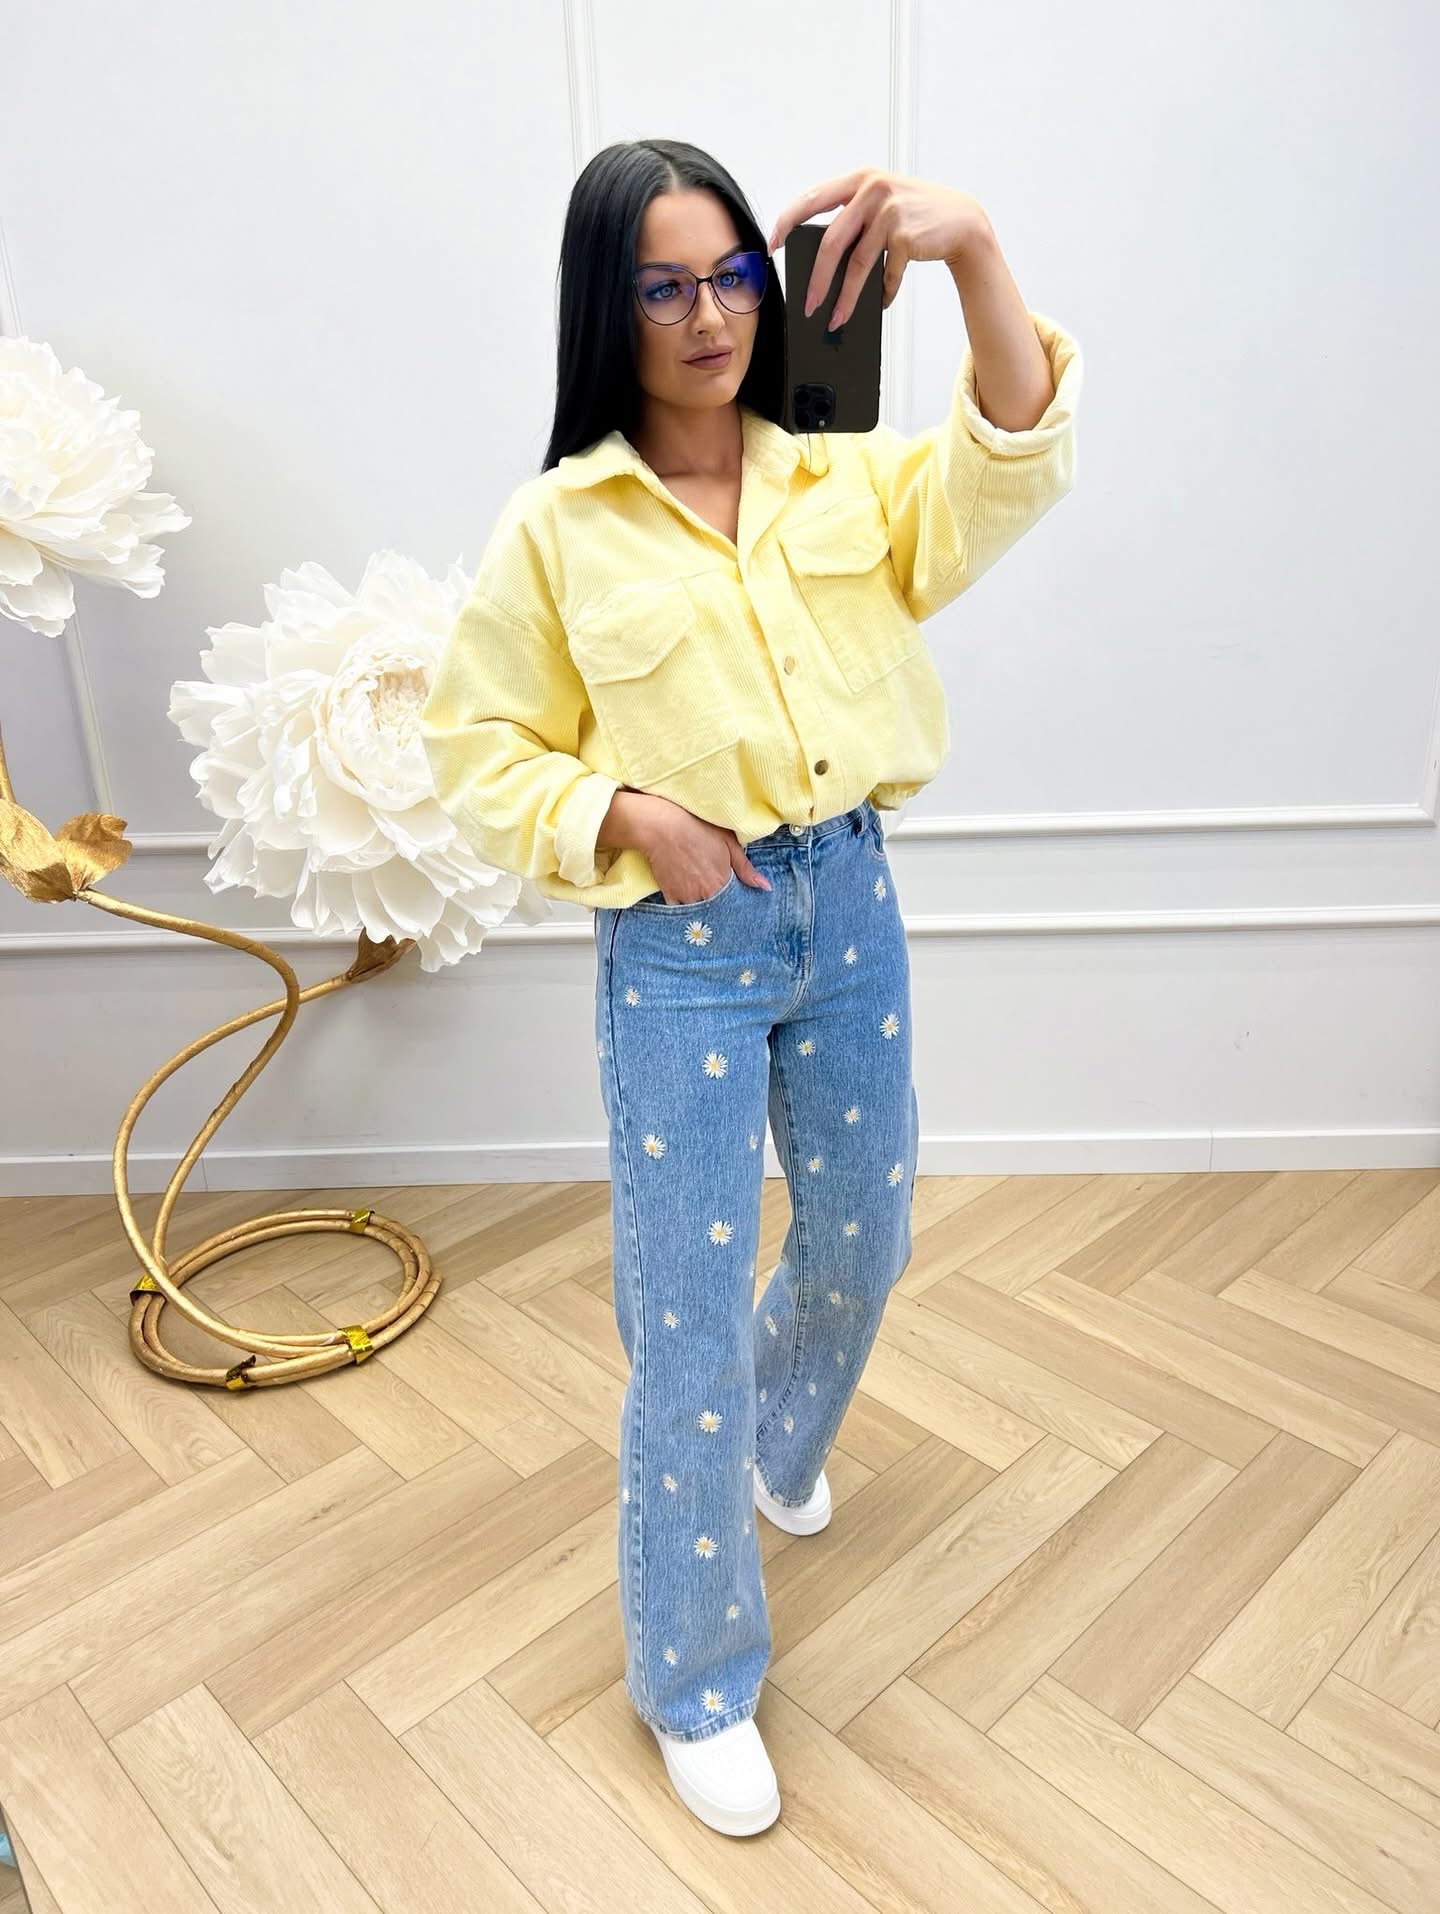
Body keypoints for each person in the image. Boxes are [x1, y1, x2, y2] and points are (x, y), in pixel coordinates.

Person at [420, 139, 1082, 1837]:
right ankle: (695, 1675)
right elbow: (475, 746)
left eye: (730, 275)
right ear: (609, 307)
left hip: (847, 899)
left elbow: (1011, 460)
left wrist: (973, 250)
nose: (709, 315)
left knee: (868, 1228)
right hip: (684, 949)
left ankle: (777, 1442)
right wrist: (625, 814)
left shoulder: (837, 476)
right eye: (664, 286)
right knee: (688, 1316)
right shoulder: (559, 529)